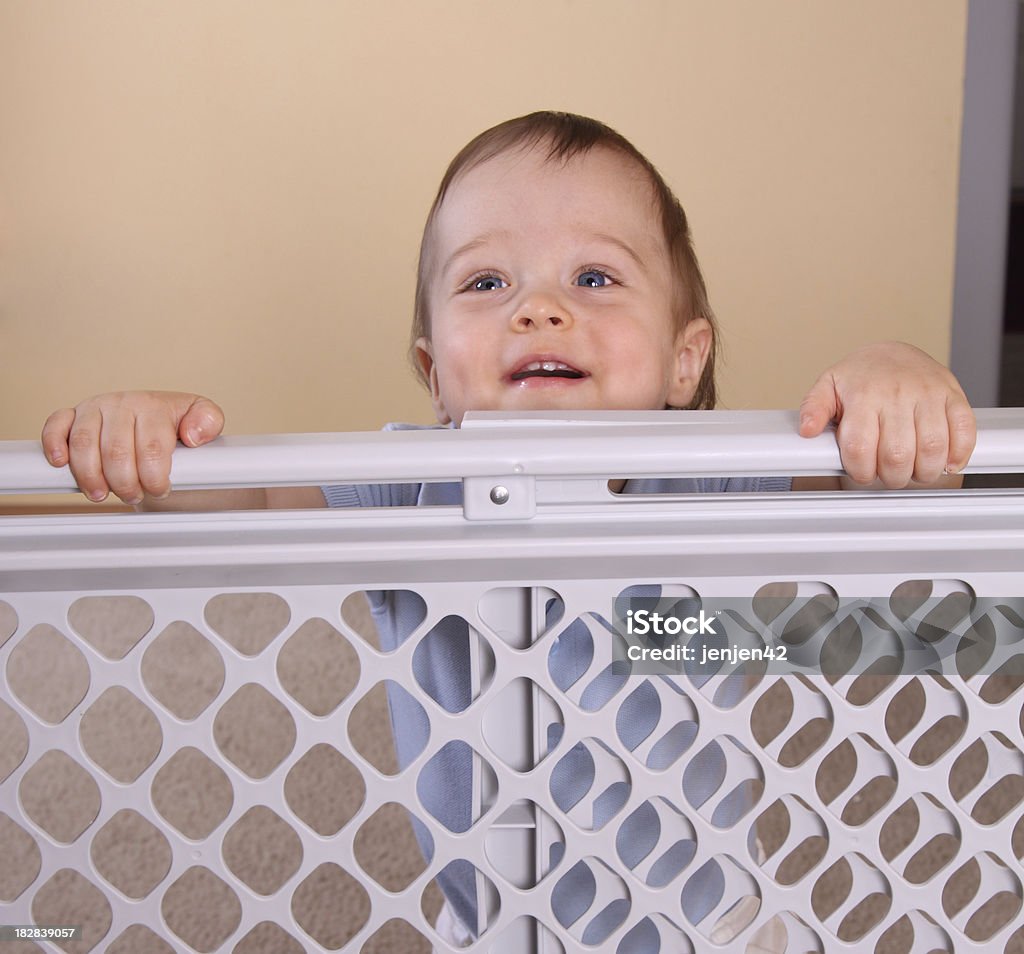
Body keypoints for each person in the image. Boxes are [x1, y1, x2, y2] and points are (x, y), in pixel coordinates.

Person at [41, 112, 975, 947]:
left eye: (595, 276)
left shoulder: (703, 471)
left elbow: (869, 479)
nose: (538, 306)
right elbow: (253, 506)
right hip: (489, 919)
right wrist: (153, 456)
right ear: (434, 371)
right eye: (486, 280)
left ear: (685, 362)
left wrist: (895, 376)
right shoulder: (407, 484)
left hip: (704, 926)